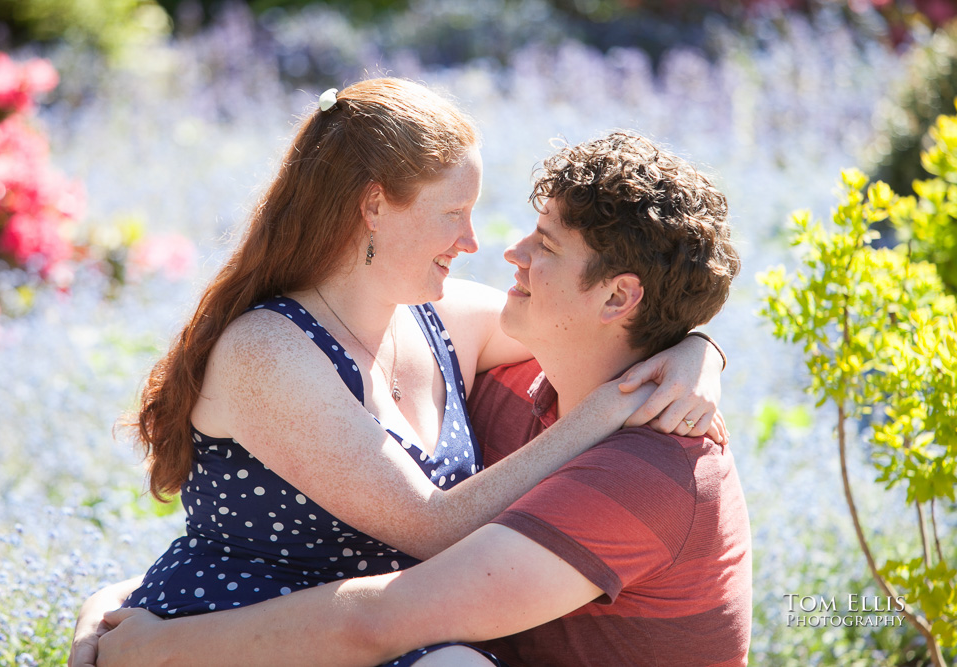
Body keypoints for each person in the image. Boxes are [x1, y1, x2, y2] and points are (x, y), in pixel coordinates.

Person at [70, 80, 728, 666]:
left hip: (380, 634)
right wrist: (609, 410)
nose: (474, 241)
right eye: (453, 213)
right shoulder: (268, 350)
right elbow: (431, 525)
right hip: (230, 638)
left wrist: (699, 350)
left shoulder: (440, 317)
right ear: (375, 206)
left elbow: (595, 323)